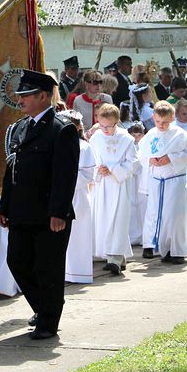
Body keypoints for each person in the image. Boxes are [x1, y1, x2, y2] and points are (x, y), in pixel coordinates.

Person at [0, 70, 79, 340]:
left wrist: (59, 212)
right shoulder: (21, 128)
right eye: (20, 96)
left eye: (26, 96)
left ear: (43, 96)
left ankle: (48, 320)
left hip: (47, 214)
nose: (20, 101)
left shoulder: (61, 129)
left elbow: (65, 176)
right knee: (17, 261)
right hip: (21, 210)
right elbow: (12, 171)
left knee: (49, 268)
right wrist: (4, 205)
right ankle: (42, 307)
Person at [138, 101, 187, 265]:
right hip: (157, 179)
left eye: (166, 122)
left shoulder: (181, 135)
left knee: (175, 215)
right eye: (158, 121)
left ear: (172, 117)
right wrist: (150, 160)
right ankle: (163, 248)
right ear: (153, 117)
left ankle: (178, 251)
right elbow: (141, 153)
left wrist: (171, 158)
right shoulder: (151, 134)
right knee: (157, 213)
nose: (161, 125)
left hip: (175, 179)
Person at [89, 104, 137, 275]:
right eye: (102, 126)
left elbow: (133, 163)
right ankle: (114, 257)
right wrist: (98, 170)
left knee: (118, 219)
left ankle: (115, 258)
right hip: (102, 185)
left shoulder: (126, 139)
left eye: (109, 126)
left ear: (117, 122)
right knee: (103, 219)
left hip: (118, 185)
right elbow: (91, 160)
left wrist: (113, 169)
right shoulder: (95, 138)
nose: (105, 129)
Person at [59, 110, 95, 284]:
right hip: (60, 195)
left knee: (78, 234)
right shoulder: (57, 144)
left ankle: (79, 272)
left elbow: (88, 174)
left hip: (78, 195)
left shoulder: (85, 147)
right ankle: (63, 272)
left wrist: (66, 180)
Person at [126, 123, 148, 250]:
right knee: (131, 206)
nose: (136, 138)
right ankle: (132, 234)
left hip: (141, 179)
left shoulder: (144, 147)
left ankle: (143, 234)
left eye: (139, 135)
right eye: (133, 135)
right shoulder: (128, 146)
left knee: (142, 205)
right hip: (130, 179)